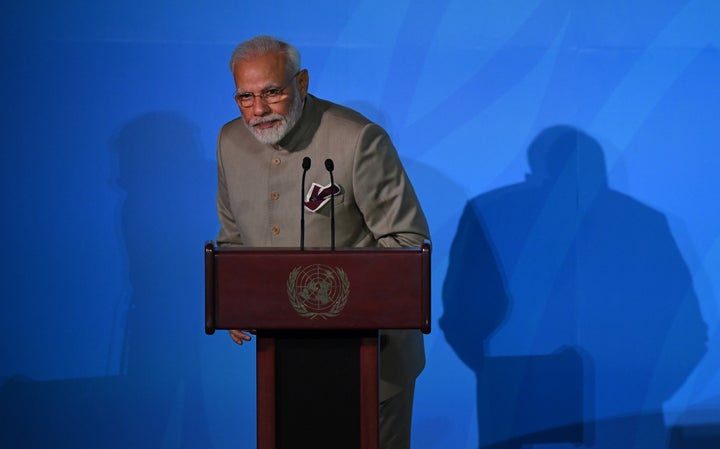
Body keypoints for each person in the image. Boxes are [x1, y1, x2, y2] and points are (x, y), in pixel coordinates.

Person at [215, 35, 430, 449]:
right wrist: (237, 298)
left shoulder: (358, 139)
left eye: (272, 92)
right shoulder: (230, 143)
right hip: (284, 363)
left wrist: (332, 299)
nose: (258, 110)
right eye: (245, 97)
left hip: (372, 361)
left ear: (302, 82)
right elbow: (233, 240)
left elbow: (407, 245)